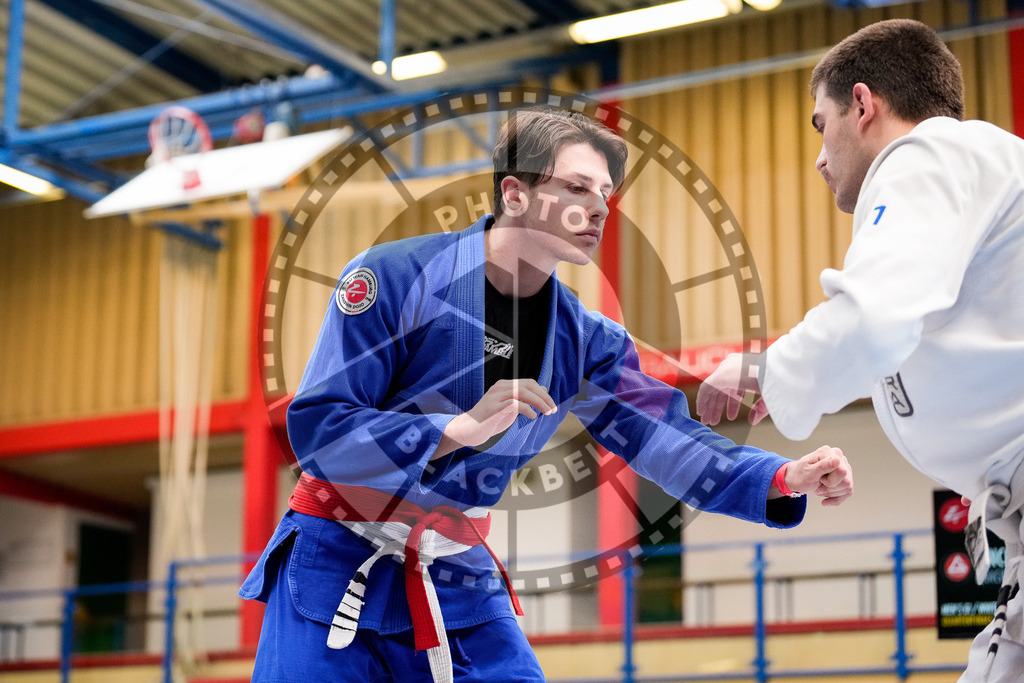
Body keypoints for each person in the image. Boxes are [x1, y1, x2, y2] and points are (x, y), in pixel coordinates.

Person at [240, 105, 855, 682]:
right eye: (577, 188)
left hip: (455, 569)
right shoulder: (393, 279)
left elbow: (665, 437)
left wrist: (777, 478)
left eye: (606, 195)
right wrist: (450, 431)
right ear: (515, 193)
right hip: (335, 559)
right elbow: (321, 429)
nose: (599, 208)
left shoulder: (586, 342)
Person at [695, 19, 1024, 682]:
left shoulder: (927, 156)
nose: (819, 157)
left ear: (865, 106)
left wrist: (764, 371)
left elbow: (874, 317)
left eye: (821, 124)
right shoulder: (984, 165)